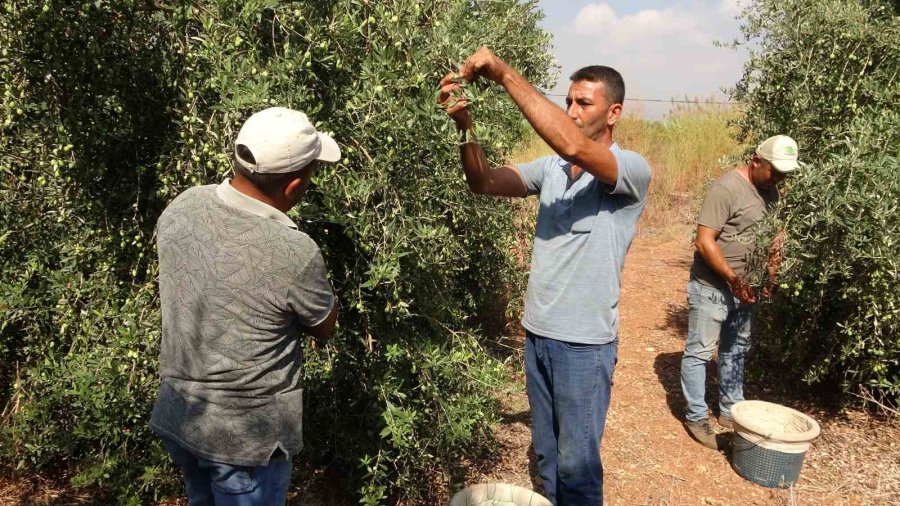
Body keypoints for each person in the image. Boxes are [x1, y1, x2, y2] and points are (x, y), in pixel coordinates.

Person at [438, 47, 652, 505]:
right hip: (537, 334)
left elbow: (572, 144)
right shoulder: (551, 170)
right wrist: (465, 127)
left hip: (583, 344)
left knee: (578, 467)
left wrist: (502, 72)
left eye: (584, 104)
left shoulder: (630, 169)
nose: (572, 112)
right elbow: (484, 182)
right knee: (549, 458)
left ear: (613, 112)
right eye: (569, 101)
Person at [150, 107, 341, 505]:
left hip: (182, 417)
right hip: (248, 442)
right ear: (293, 187)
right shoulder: (294, 251)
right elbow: (324, 326)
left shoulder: (180, 207)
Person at [680, 134, 803, 449]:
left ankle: (731, 411)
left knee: (735, 350)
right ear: (756, 160)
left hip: (747, 290)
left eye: (785, 173)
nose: (779, 178)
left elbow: (775, 238)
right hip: (713, 287)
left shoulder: (772, 191)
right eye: (775, 170)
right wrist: (735, 281)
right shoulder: (726, 189)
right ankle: (696, 416)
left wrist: (771, 277)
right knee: (700, 352)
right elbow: (705, 241)